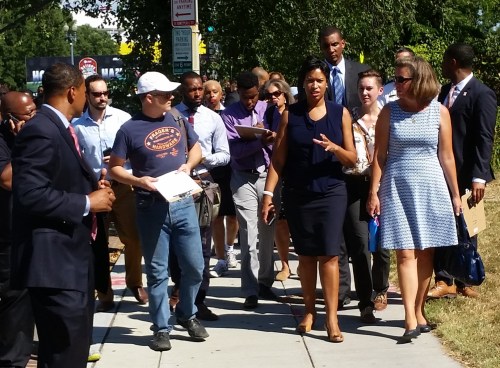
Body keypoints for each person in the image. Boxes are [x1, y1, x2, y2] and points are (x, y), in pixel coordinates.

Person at [10, 63, 115, 367]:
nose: (84, 97)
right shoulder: (40, 129)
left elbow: (55, 179)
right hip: (53, 264)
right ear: (73, 91)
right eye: (84, 91)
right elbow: (29, 193)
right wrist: (86, 201)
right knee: (64, 354)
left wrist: (92, 183)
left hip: (71, 261)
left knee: (72, 351)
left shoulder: (59, 127)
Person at [108, 71, 208, 352]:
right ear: (149, 98)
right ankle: (162, 328)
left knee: (195, 267)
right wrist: (138, 181)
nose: (171, 97)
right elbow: (114, 167)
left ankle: (187, 314)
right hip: (150, 206)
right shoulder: (129, 129)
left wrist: (188, 166)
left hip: (182, 202)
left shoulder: (176, 117)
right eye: (165, 94)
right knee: (157, 271)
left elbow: (196, 147)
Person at [366, 56, 462, 343]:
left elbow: (446, 156)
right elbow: (379, 157)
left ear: (418, 80)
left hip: (431, 185)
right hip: (396, 186)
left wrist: (456, 194)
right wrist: (374, 191)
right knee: (405, 253)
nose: (396, 84)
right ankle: (409, 318)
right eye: (395, 78)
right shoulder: (389, 112)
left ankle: (419, 311)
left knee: (426, 254)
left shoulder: (440, 112)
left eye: (401, 79)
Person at [262, 56, 356, 342]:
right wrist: (268, 195)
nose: (314, 86)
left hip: (331, 192)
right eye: (309, 81)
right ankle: (308, 312)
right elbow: (278, 160)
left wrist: (335, 148)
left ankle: (331, 318)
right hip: (298, 193)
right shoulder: (291, 115)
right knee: (304, 257)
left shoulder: (340, 113)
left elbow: (352, 158)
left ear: (327, 83)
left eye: (319, 80)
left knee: (328, 254)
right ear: (301, 84)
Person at [73, 74, 148, 312]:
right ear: (87, 96)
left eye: (105, 93)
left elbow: (138, 151)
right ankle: (104, 294)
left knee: (134, 238)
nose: (102, 97)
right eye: (96, 94)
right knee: (99, 244)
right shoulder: (77, 126)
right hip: (96, 189)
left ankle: (135, 282)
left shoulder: (123, 119)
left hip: (122, 186)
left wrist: (120, 159)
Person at [428, 43, 497, 299]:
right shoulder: (444, 92)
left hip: (469, 174)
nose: (443, 65)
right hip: (442, 172)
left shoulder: (482, 94)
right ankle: (444, 279)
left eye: (445, 60)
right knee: (442, 224)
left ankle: (467, 279)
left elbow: (484, 137)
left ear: (454, 62)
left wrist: (479, 176)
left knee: (469, 227)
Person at [170, 71, 230, 321]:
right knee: (176, 242)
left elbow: (225, 154)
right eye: (192, 89)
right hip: (174, 182)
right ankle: (178, 290)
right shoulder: (171, 116)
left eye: (200, 90)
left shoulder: (213, 118)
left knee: (204, 244)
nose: (197, 94)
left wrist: (202, 158)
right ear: (182, 90)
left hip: (203, 182)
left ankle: (199, 300)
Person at [318, 26, 371, 307]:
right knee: (334, 239)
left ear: (344, 44)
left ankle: (367, 296)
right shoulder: (316, 76)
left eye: (335, 44)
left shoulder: (361, 72)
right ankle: (339, 293)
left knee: (359, 238)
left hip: (358, 166)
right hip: (328, 165)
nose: (331, 50)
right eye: (326, 46)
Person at [221, 71, 278, 310]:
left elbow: (280, 140)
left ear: (259, 91)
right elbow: (234, 152)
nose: (249, 102)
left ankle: (266, 280)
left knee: (267, 230)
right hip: (243, 177)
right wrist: (258, 140)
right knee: (249, 231)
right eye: (245, 97)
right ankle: (251, 289)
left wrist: (270, 135)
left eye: (253, 96)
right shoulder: (229, 116)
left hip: (268, 176)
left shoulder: (269, 109)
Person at [342, 69, 391, 322]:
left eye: (369, 88)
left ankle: (380, 290)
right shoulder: (350, 120)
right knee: (360, 245)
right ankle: (365, 301)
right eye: (361, 88)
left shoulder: (389, 118)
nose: (364, 93)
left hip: (382, 185)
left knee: (381, 244)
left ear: (380, 90)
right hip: (355, 185)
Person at [0, 92, 36, 368]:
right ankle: (13, 360)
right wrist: (24, 144)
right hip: (7, 232)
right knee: (14, 296)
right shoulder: (5, 141)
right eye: (27, 115)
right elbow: (9, 179)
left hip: (32, 228)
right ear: (9, 117)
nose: (33, 119)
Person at [203, 80, 240, 277]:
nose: (211, 96)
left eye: (214, 92)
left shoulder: (229, 114)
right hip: (211, 170)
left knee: (232, 215)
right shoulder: (201, 117)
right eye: (207, 92)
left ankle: (230, 248)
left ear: (221, 94)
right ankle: (220, 258)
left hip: (231, 169)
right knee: (216, 216)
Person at [263, 78, 295, 281]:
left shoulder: (295, 112)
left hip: (294, 169)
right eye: (269, 95)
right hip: (275, 169)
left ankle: (302, 262)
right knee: (280, 220)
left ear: (285, 94)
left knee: (297, 222)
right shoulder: (268, 113)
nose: (273, 98)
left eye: (277, 94)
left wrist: (279, 137)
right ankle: (284, 264)